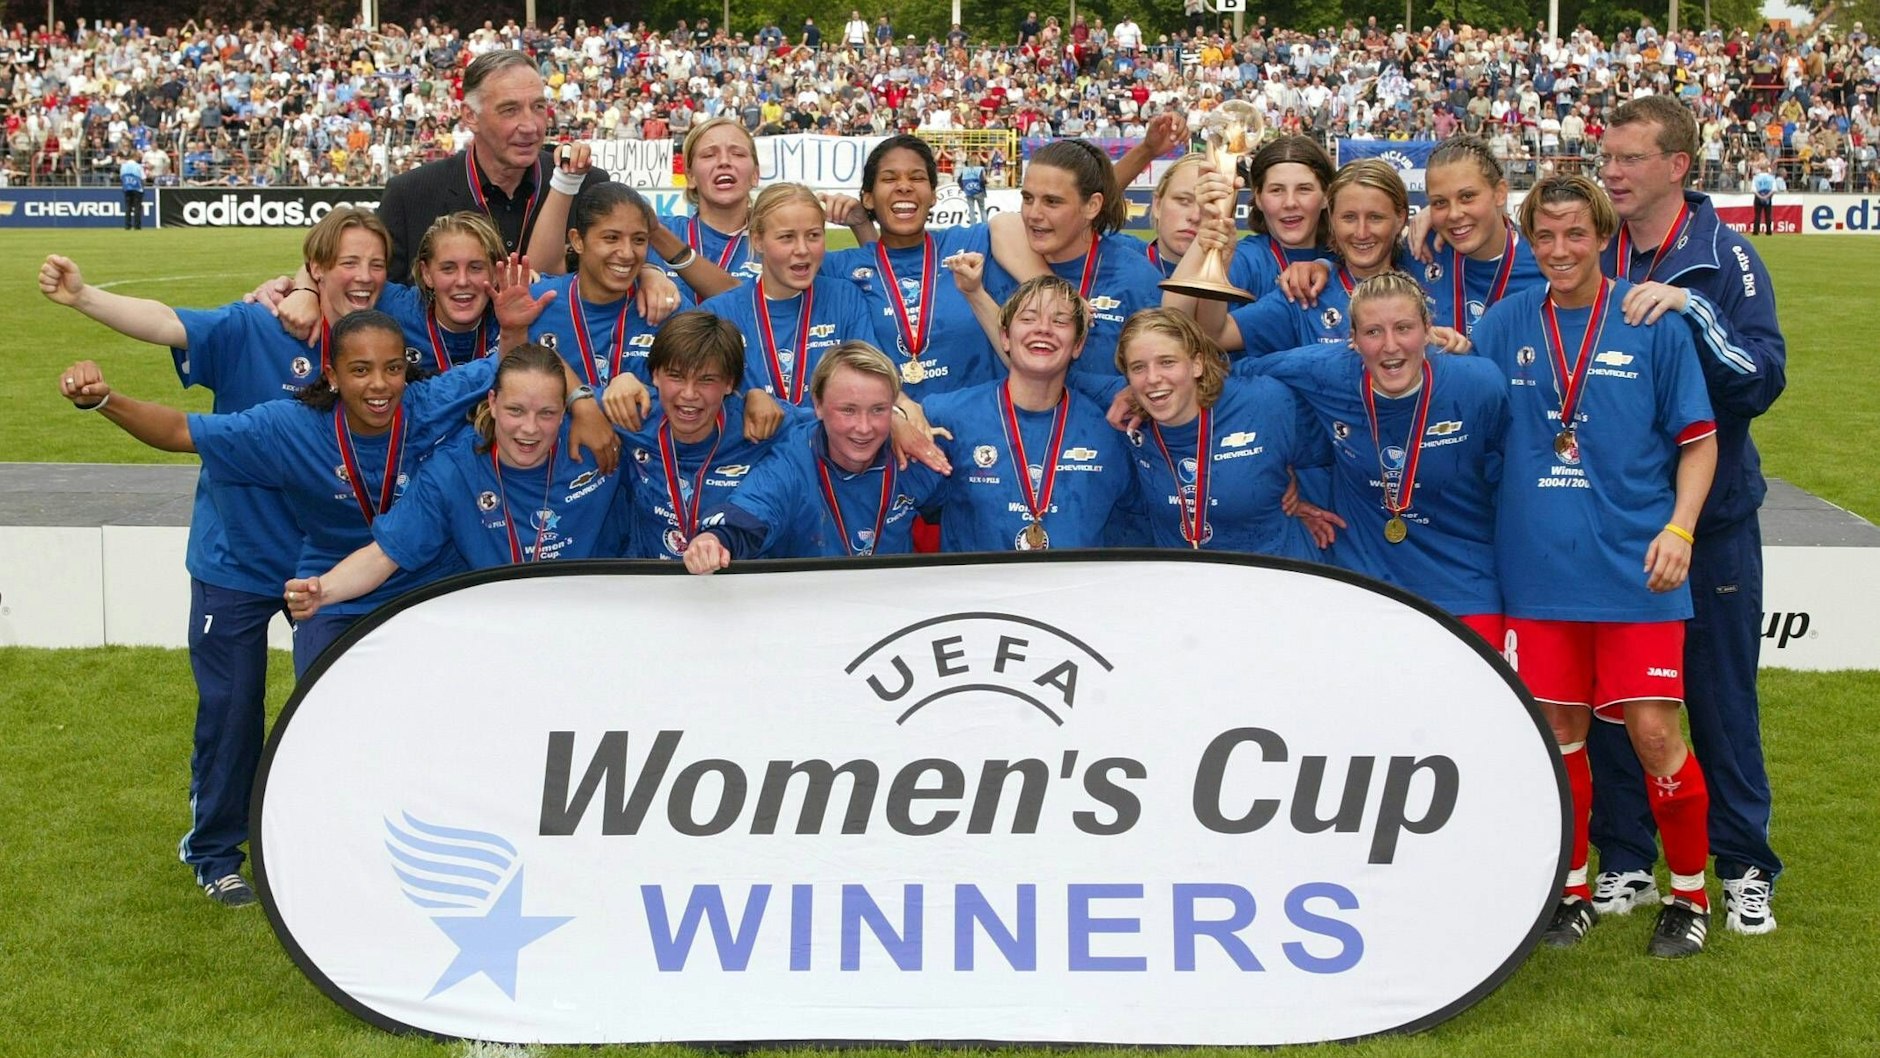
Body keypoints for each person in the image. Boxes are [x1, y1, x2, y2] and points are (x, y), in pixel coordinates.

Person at [37, 206, 399, 908]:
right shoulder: (250, 327)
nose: (362, 276)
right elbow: (168, 323)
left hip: (334, 567)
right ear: (314, 267)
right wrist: (84, 298)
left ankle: (329, 840)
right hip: (236, 557)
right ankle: (214, 850)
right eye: (347, 262)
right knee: (232, 710)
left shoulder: (387, 339)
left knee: (340, 704)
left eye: (375, 264)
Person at [1473, 174, 1719, 958]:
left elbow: (1699, 441)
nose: (1559, 250)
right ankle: (1571, 889)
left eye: (1575, 234)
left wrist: (1680, 527)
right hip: (1539, 572)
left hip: (1636, 569)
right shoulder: (1505, 321)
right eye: (1544, 237)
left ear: (1603, 235)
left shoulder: (1649, 320)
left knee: (1653, 734)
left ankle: (1689, 897)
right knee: (1559, 733)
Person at [1589, 94, 1788, 938]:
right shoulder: (1592, 247)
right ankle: (1627, 860)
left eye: (1630, 159)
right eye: (1606, 158)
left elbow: (1761, 379)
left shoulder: (1722, 258)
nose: (1613, 172)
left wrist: (1690, 311)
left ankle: (1744, 868)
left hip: (1706, 524)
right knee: (1618, 704)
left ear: (1677, 166)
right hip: (1611, 520)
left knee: (1718, 701)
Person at [55, 311, 511, 677]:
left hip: (425, 582)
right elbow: (179, 430)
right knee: (325, 720)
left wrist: (578, 404)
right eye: (360, 370)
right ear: (331, 375)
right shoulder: (286, 426)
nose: (379, 385)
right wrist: (104, 400)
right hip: (332, 592)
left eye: (393, 369)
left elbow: (517, 366)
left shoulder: (428, 401)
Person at [1234, 272, 1510, 636]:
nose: (1390, 346)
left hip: (1463, 585)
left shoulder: (1479, 383)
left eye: (1404, 328)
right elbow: (1236, 377)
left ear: (1429, 330)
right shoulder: (1325, 372)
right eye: (1373, 332)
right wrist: (1276, 467)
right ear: (1353, 339)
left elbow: (1507, 472)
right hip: (1364, 588)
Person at [281, 343, 624, 616]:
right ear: (492, 402)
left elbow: (674, 412)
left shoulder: (598, 434)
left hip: (591, 618)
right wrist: (321, 592)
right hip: (501, 627)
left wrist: (624, 384)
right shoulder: (454, 470)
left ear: (564, 410)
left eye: (547, 413)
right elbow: (383, 556)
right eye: (515, 410)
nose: (530, 429)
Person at [916, 275, 1142, 551]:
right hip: (980, 592)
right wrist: (899, 416)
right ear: (1005, 338)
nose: (1043, 329)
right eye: (1028, 319)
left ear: (1078, 345)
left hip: (1072, 592)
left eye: (1060, 321)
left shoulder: (1109, 430)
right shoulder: (947, 416)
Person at [682, 342, 945, 569]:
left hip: (895, 614)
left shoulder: (911, 453)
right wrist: (713, 541)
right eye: (848, 410)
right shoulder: (792, 460)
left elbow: (958, 507)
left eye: (878, 410)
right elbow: (748, 516)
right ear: (817, 405)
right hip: (807, 613)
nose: (864, 428)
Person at [374, 50, 608, 280]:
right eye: (509, 110)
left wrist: (646, 269)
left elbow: (631, 250)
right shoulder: (409, 196)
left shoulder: (587, 186)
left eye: (538, 107)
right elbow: (381, 299)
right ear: (470, 116)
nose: (530, 126)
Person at [1113, 308, 1323, 558]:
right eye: (1138, 368)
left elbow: (1332, 446)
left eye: (1167, 362)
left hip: (1277, 580)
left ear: (1197, 364)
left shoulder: (1265, 403)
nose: (1153, 378)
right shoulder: (1129, 421)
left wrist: (1292, 482)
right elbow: (1066, 383)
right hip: (1188, 586)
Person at [822, 135, 1004, 399]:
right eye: (889, 178)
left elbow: (1015, 224)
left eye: (917, 178)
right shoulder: (841, 267)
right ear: (868, 198)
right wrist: (858, 223)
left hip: (977, 431)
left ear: (933, 195)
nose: (904, 187)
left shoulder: (971, 243)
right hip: (886, 431)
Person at [1195, 160, 1418, 356]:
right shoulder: (1305, 293)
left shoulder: (1423, 273)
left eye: (1375, 217)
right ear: (1331, 218)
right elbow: (1215, 335)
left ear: (1401, 218)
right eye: (1348, 217)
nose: (1361, 232)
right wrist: (1219, 264)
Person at [697, 183, 877, 412]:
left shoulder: (845, 298)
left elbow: (871, 382)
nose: (802, 249)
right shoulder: (719, 314)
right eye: (786, 237)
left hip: (827, 444)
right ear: (757, 241)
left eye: (813, 235)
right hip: (753, 447)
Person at [617, 312, 779, 559]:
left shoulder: (761, 420)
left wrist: (758, 395)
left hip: (735, 586)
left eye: (706, 380)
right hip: (651, 586)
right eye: (676, 376)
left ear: (730, 383)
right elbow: (551, 401)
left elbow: (829, 423)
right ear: (655, 375)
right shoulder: (634, 415)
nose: (689, 394)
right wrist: (581, 400)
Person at [997, 139, 1164, 377]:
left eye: (1052, 202)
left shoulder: (1136, 279)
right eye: (1027, 198)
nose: (1034, 214)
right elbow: (1001, 223)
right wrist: (1056, 292)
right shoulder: (1003, 258)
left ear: (1092, 206)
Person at [1416, 136, 1545, 338]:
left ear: (1500, 193)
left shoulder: (1544, 265)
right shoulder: (1418, 252)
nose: (1454, 214)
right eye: (1440, 202)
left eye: (1467, 197)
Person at [380, 211, 505, 372]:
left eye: (475, 268)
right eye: (448, 269)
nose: (462, 281)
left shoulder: (512, 316)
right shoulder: (395, 310)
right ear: (426, 274)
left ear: (495, 273)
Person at [1137, 153, 1206, 280]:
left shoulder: (1241, 272)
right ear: (1157, 205)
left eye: (1207, 206)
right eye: (1183, 200)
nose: (1195, 217)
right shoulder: (1116, 257)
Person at [957, 150, 988, 224]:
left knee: (971, 209)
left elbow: (959, 180)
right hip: (979, 191)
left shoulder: (965, 170)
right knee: (982, 209)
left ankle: (973, 225)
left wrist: (963, 188)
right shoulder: (980, 169)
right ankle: (985, 225)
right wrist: (985, 183)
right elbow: (983, 180)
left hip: (969, 191)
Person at [119, 152, 145, 230]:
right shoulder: (138, 166)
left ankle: (127, 225)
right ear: (135, 157)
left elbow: (121, 177)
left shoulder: (123, 166)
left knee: (128, 207)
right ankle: (137, 226)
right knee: (137, 207)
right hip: (137, 188)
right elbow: (143, 178)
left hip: (127, 188)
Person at [1750, 163, 1777, 235]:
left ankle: (1756, 231)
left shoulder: (1756, 177)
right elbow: (1774, 190)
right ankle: (1768, 231)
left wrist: (1760, 196)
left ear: (1760, 168)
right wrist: (1767, 196)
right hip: (1768, 197)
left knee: (1757, 215)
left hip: (1758, 197)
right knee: (1768, 215)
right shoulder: (1771, 177)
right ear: (1767, 168)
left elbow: (1753, 190)